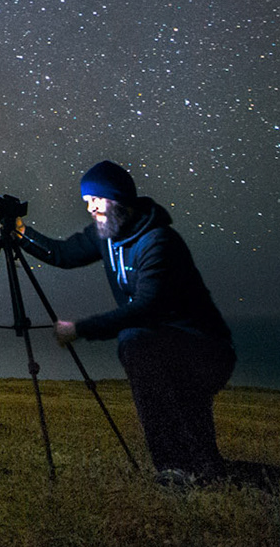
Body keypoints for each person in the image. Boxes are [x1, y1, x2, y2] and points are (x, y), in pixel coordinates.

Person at [18, 160, 236, 483]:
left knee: (134, 340)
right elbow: (63, 254)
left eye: (95, 198)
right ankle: (204, 471)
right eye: (86, 201)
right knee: (207, 463)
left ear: (117, 197)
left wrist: (79, 329)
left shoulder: (158, 243)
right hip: (165, 344)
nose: (89, 207)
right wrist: (21, 232)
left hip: (205, 350)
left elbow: (145, 308)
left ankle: (172, 469)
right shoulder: (105, 235)